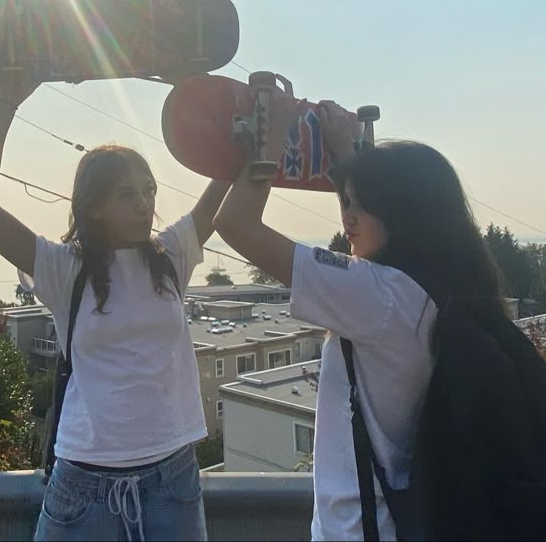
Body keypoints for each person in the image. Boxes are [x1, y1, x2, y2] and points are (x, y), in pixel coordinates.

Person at [213, 95, 506, 541]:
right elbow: (365, 239)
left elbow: (234, 223)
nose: (347, 217)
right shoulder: (437, 287)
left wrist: (267, 141)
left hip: (356, 528)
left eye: (360, 204)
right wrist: (347, 163)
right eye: (346, 201)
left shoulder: (380, 297)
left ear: (402, 212)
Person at [0, 78, 229, 542]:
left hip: (173, 478)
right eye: (128, 195)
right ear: (96, 207)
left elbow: (223, 181)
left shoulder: (171, 257)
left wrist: (250, 135)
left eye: (149, 190)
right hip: (85, 486)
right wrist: (5, 99)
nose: (146, 205)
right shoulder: (66, 269)